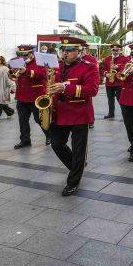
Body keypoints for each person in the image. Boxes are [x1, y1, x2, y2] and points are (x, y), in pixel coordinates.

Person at [48, 37, 99, 196]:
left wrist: (65, 88)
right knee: (56, 144)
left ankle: (73, 181)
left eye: (69, 50)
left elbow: (92, 90)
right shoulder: (57, 66)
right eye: (63, 50)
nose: (65, 53)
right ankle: (77, 166)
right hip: (60, 112)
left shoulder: (89, 67)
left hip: (79, 113)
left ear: (79, 51)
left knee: (78, 150)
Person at [11, 44, 50, 149]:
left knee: (39, 119)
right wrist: (13, 73)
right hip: (21, 96)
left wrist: (27, 71)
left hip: (36, 95)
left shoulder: (39, 62)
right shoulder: (18, 62)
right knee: (22, 120)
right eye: (21, 55)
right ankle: (25, 140)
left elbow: (43, 75)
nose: (22, 57)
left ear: (31, 54)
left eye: (25, 55)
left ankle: (49, 135)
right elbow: (14, 75)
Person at [100, 44, 129, 119]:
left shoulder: (124, 58)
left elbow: (126, 67)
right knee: (110, 99)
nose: (115, 52)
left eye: (117, 50)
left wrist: (118, 66)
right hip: (109, 82)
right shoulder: (107, 59)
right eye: (113, 50)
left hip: (119, 82)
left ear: (120, 50)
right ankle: (111, 113)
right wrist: (106, 74)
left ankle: (125, 114)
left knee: (120, 99)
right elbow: (103, 69)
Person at [81, 43, 99, 129]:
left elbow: (95, 69)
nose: (83, 50)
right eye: (82, 48)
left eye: (84, 49)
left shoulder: (91, 59)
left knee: (89, 102)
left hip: (86, 82)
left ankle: (91, 120)